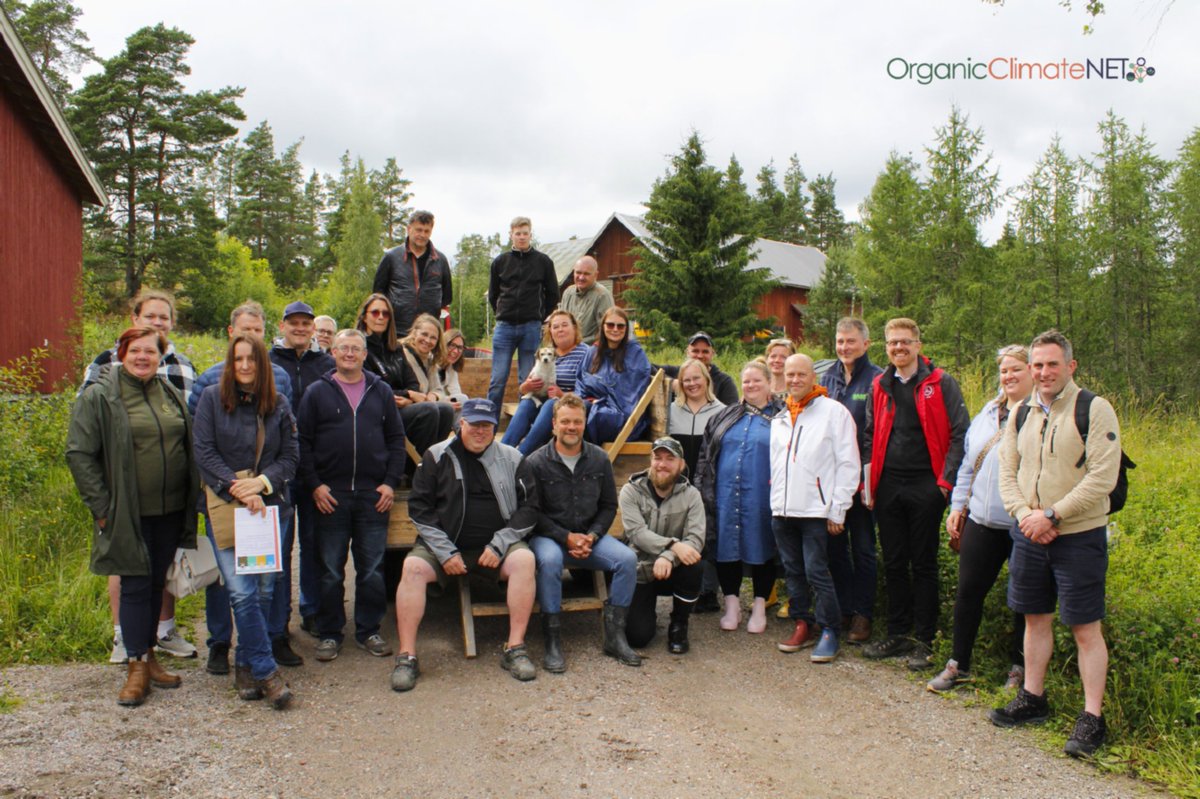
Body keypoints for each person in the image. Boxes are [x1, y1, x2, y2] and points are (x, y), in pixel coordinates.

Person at [990, 330, 1121, 759]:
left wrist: (1052, 514)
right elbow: (1007, 471)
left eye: (1052, 364)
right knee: (1035, 619)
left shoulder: (1094, 409)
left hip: (1078, 535)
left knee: (1085, 628)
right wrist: (1026, 515)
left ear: (1070, 366)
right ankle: (1033, 696)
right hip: (1029, 533)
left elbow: (1103, 477)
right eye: (1038, 365)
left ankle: (1092, 718)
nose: (1044, 372)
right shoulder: (1021, 413)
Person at [67, 326, 199, 706]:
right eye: (136, 350)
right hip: (126, 512)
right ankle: (136, 667)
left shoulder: (168, 392)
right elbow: (79, 453)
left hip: (171, 509)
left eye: (151, 352)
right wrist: (102, 508)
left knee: (157, 583)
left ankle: (150, 656)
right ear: (121, 353)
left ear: (161, 356)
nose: (143, 357)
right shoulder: (101, 397)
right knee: (136, 585)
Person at [391, 399, 539, 691]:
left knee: (525, 561)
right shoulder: (435, 456)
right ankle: (407, 656)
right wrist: (445, 552)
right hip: (445, 546)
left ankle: (515, 648)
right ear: (461, 424)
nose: (480, 431)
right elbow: (420, 509)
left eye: (486, 425)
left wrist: (499, 545)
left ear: (495, 427)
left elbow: (530, 508)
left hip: (495, 548)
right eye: (474, 424)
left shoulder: (513, 458)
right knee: (412, 568)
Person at [189, 301, 297, 676]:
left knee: (265, 589)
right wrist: (238, 487)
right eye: (238, 359)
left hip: (268, 510)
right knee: (238, 589)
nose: (246, 366)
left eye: (252, 358)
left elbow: (290, 454)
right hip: (226, 504)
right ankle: (259, 666)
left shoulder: (278, 402)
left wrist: (263, 483)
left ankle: (249, 663)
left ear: (263, 361)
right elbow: (203, 450)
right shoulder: (210, 398)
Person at [862, 318, 969, 670]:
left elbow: (959, 434)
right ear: (886, 347)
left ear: (918, 345)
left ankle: (924, 639)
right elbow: (870, 434)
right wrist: (869, 482)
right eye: (892, 343)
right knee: (893, 561)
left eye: (905, 342)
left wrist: (945, 483)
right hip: (889, 484)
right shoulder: (881, 385)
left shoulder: (940, 383)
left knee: (923, 563)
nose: (898, 348)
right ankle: (898, 632)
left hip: (926, 484)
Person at [297, 329, 407, 663]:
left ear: (363, 355)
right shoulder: (317, 392)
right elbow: (302, 442)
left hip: (373, 496)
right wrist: (315, 484)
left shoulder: (381, 390)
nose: (349, 353)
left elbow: (397, 440)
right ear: (332, 352)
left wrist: (390, 482)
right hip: (331, 495)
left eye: (355, 349)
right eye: (343, 348)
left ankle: (368, 630)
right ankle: (330, 633)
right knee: (330, 569)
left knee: (371, 569)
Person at [927, 344, 1032, 694]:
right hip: (982, 519)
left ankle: (1020, 670)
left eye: (1016, 369)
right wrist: (958, 507)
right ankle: (959, 664)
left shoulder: (1041, 413)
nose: (1009, 376)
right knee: (968, 592)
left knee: (1023, 600)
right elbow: (969, 465)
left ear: (1032, 371)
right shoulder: (988, 412)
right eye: (1004, 370)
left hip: (1023, 522)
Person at [526, 394, 640, 671]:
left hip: (590, 537)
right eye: (565, 421)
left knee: (627, 560)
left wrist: (593, 535)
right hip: (549, 538)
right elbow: (532, 513)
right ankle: (552, 641)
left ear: (584, 423)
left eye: (577, 421)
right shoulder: (535, 462)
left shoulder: (599, 459)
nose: (571, 427)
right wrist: (566, 537)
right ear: (553, 424)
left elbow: (608, 505)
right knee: (550, 561)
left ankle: (615, 636)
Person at [770, 354, 861, 663]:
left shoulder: (834, 413)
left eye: (801, 374)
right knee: (793, 571)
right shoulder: (781, 416)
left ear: (813, 377)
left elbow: (849, 463)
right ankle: (801, 622)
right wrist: (775, 501)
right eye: (790, 374)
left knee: (816, 571)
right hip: (783, 510)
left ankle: (829, 629)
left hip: (815, 511)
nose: (795, 380)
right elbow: (777, 463)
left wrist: (838, 509)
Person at [695, 361, 783, 634]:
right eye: (746, 381)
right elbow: (705, 455)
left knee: (762, 547)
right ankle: (731, 605)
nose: (751, 386)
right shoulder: (725, 415)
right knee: (726, 548)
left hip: (762, 495)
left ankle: (758, 606)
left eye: (757, 381)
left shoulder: (783, 417)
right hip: (725, 495)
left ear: (769, 383)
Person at [269, 301, 336, 639]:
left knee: (313, 542)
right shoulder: (268, 362)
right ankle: (277, 617)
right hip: (276, 466)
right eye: (293, 322)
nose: (299, 328)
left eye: (305, 323)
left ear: (313, 329)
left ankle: (311, 609)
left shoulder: (326, 363)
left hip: (313, 466)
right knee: (279, 545)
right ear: (282, 326)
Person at [819, 317, 884, 642]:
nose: (844, 347)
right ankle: (842, 606)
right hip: (829, 482)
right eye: (840, 341)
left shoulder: (877, 380)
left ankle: (863, 614)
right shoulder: (827, 378)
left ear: (866, 344)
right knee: (834, 548)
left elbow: (877, 434)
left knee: (862, 548)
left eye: (851, 341)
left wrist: (868, 481)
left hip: (862, 483)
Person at [620, 437, 705, 654]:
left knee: (695, 563)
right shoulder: (631, 491)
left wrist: (669, 555)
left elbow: (695, 538)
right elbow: (636, 533)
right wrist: (672, 545)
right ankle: (645, 612)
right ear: (651, 460)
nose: (662, 464)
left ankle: (679, 623)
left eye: (670, 459)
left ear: (681, 464)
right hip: (641, 569)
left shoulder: (692, 495)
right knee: (637, 637)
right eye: (657, 458)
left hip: (673, 570)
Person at [356, 293, 446, 457]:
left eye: (386, 313)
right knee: (428, 410)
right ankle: (417, 468)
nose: (381, 317)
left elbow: (412, 382)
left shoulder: (395, 348)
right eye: (375, 312)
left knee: (445, 409)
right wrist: (408, 394)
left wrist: (408, 396)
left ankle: (426, 464)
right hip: (376, 411)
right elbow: (369, 387)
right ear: (364, 317)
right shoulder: (359, 347)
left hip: (402, 407)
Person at [486, 216, 560, 410]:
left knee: (530, 380)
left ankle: (524, 425)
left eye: (525, 233)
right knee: (498, 379)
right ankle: (489, 425)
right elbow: (493, 294)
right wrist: (501, 312)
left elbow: (553, 293)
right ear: (511, 235)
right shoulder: (500, 262)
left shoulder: (543, 261)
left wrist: (540, 315)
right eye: (517, 233)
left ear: (530, 235)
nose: (521, 237)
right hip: (505, 327)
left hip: (531, 327)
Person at [500, 309, 590, 456]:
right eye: (555, 327)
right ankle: (501, 453)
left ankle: (520, 456)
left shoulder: (586, 353)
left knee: (550, 404)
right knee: (526, 404)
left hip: (569, 404)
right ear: (551, 332)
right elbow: (524, 388)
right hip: (539, 400)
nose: (560, 329)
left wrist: (562, 394)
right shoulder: (546, 353)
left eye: (564, 325)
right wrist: (526, 386)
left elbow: (588, 391)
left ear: (574, 327)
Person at [576, 306, 652, 444]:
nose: (615, 329)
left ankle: (587, 459)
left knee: (584, 412)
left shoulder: (634, 353)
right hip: (594, 405)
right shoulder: (593, 352)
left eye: (620, 326)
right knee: (566, 410)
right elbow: (581, 382)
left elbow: (631, 391)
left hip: (622, 415)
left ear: (626, 329)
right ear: (603, 326)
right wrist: (594, 397)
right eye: (610, 325)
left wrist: (600, 396)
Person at [372, 210, 452, 338]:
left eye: (427, 231)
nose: (422, 235)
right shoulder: (391, 257)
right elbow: (378, 294)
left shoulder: (440, 260)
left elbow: (447, 297)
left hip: (428, 335)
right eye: (418, 230)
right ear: (409, 229)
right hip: (396, 331)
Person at [398, 312, 457, 441]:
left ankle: (431, 452)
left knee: (447, 410)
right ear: (414, 332)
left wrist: (433, 395)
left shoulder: (430, 359)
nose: (427, 341)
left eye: (433, 338)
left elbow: (438, 389)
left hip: (424, 406)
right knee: (431, 409)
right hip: (403, 407)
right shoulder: (401, 353)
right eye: (424, 334)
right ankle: (421, 456)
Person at [666, 357, 725, 478]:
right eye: (687, 380)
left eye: (696, 378)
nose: (692, 383)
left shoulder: (722, 412)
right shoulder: (670, 411)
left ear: (706, 379)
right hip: (676, 487)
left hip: (709, 488)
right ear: (681, 384)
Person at [658, 332, 739, 407]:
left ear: (712, 354)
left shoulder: (724, 382)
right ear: (687, 352)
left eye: (705, 352)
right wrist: (672, 383)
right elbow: (648, 369)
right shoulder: (674, 372)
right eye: (695, 351)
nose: (700, 356)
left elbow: (733, 411)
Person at [557, 255, 613, 345]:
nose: (581, 277)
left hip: (591, 349)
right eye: (578, 273)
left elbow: (607, 330)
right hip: (568, 347)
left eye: (586, 274)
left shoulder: (602, 295)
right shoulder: (568, 293)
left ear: (596, 275)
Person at [439, 327, 470, 409]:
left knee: (462, 399)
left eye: (460, 348)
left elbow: (456, 392)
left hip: (440, 405)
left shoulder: (451, 368)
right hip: (427, 405)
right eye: (452, 345)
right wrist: (444, 401)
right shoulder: (431, 362)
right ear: (443, 344)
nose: (456, 351)